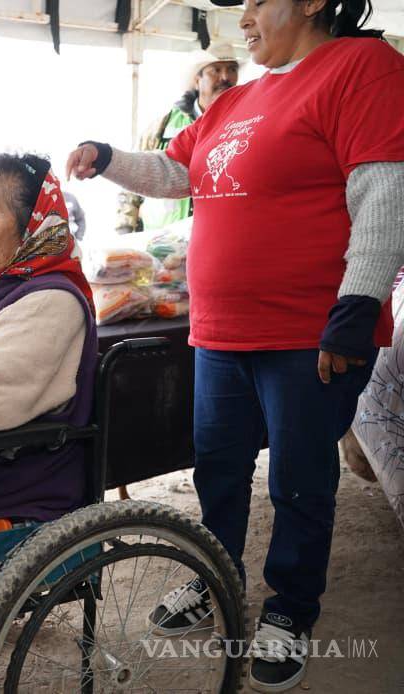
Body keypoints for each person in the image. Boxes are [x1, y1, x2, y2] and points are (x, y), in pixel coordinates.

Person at [67, 1, 404, 690]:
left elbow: (385, 190)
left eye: (256, 2)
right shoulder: (236, 101)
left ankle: (291, 607)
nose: (244, 18)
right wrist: (107, 159)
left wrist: (356, 305)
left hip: (306, 331)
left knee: (298, 481)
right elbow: (175, 173)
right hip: (222, 331)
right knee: (218, 470)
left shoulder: (361, 65)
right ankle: (216, 577)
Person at [115, 43, 240, 233]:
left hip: (219, 237)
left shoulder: (245, 125)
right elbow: (132, 182)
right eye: (216, 70)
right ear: (197, 80)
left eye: (232, 69)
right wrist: (125, 230)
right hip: (162, 239)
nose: (225, 77)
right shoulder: (162, 126)